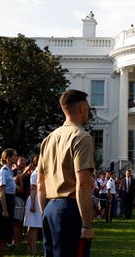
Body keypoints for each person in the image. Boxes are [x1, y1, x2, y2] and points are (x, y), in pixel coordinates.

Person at [38, 89, 95, 257]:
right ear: (83, 108)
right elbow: (83, 183)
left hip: (49, 208)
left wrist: (45, 215)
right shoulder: (82, 137)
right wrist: (86, 225)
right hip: (70, 208)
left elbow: (40, 184)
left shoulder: (48, 139)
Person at [0, 148, 18, 257]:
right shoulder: (3, 171)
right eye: (14, 155)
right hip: (5, 202)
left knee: (7, 234)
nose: (16, 157)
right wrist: (4, 209)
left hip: (10, 201)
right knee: (2, 235)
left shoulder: (9, 171)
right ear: (8, 158)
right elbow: (2, 192)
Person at [23, 157, 42, 256]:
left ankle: (33, 249)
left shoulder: (40, 172)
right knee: (32, 226)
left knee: (36, 227)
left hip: (38, 201)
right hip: (34, 200)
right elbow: (33, 189)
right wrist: (33, 205)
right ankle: (31, 249)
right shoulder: (35, 174)